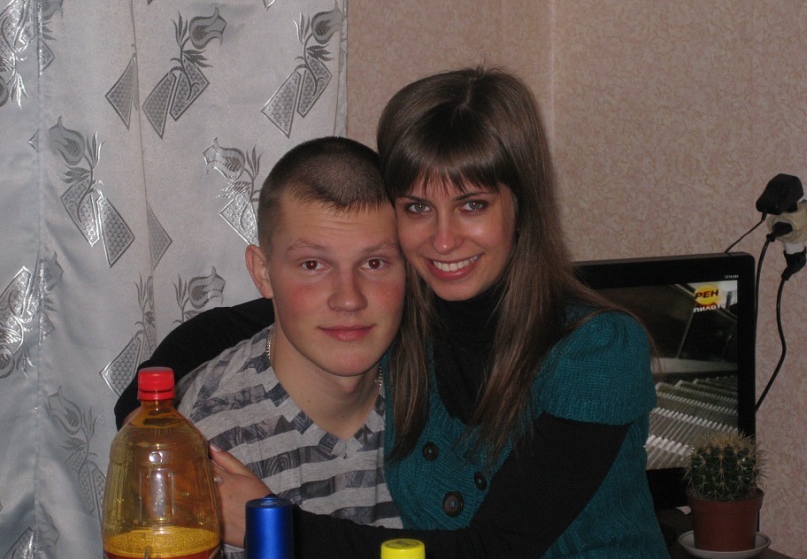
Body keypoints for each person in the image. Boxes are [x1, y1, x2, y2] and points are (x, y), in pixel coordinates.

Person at [116, 67, 669, 557]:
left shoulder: (597, 350)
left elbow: (496, 549)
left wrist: (273, 526)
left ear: (521, 206)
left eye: (473, 204)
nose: (444, 239)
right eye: (418, 207)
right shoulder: (415, 315)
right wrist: (148, 416)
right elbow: (263, 313)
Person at [172, 136, 405, 557]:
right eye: (313, 265)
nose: (349, 299)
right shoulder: (209, 441)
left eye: (375, 263)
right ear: (263, 273)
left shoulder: (440, 404)